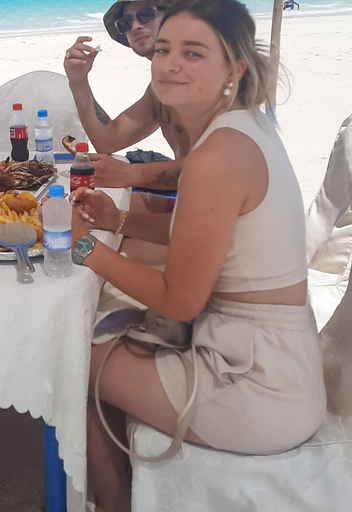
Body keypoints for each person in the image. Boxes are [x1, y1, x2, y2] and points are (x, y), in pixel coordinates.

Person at [68, 0, 326, 510]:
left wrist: (81, 246)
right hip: (271, 355)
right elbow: (192, 234)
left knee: (77, 358)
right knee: (112, 329)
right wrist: (114, 220)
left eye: (192, 52)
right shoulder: (240, 125)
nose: (169, 64)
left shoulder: (216, 155)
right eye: (164, 49)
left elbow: (181, 301)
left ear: (234, 67)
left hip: (258, 386)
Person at [65, 0, 184, 205]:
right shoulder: (160, 87)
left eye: (146, 14)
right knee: (83, 210)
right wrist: (78, 81)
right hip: (199, 198)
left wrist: (132, 173)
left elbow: (224, 166)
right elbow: (109, 141)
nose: (136, 26)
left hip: (236, 215)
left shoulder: (207, 76)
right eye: (125, 22)